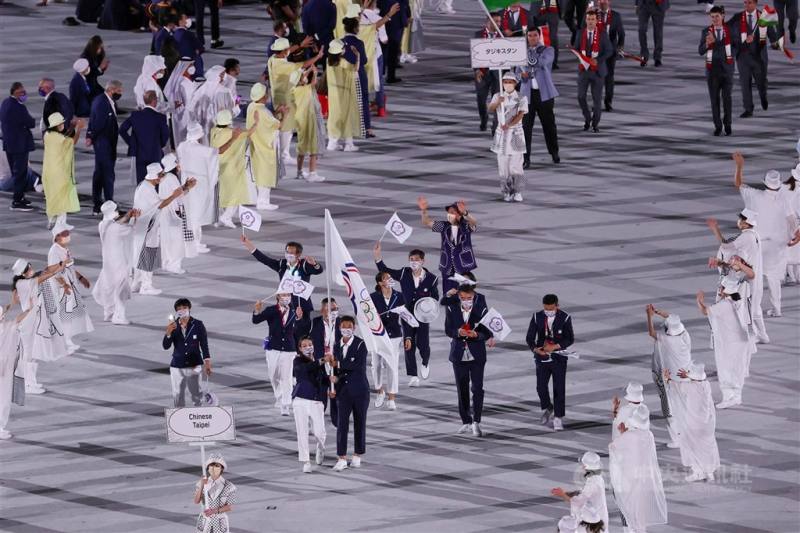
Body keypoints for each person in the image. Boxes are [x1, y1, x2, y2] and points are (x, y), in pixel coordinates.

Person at [734, 152, 794, 317]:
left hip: (759, 243)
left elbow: (738, 183)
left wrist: (739, 165)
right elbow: (792, 221)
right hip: (778, 245)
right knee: (774, 278)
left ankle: (753, 309)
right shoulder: (784, 200)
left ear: (765, 184)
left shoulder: (756, 196)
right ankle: (777, 309)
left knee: (756, 277)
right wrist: (795, 236)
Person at [374, 242, 439, 387]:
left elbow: (435, 297)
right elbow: (385, 271)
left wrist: (429, 304)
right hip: (406, 314)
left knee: (423, 344)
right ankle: (413, 375)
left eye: (416, 259)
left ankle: (425, 361)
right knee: (408, 344)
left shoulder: (432, 278)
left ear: (423, 261)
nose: (413, 262)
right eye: (411, 259)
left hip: (423, 316)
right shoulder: (404, 273)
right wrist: (378, 257)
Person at [132, 163, 196, 295]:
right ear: (155, 176)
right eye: (161, 175)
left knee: (140, 256)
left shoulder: (144, 186)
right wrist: (174, 195)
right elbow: (161, 204)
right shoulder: (146, 189)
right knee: (147, 256)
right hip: (146, 229)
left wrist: (184, 187)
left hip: (144, 228)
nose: (162, 178)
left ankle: (137, 284)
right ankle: (146, 286)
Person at [706, 207, 768, 342]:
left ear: (746, 223)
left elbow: (725, 247)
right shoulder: (754, 234)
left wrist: (715, 229)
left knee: (745, 308)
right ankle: (762, 335)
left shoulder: (746, 237)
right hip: (752, 275)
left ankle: (747, 336)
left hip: (746, 278)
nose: (738, 221)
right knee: (755, 307)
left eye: (741, 219)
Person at [696, 277, 756, 409]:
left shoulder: (724, 305)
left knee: (726, 369)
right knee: (735, 369)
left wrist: (699, 300)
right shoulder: (735, 301)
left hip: (729, 343)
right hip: (736, 342)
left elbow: (705, 311)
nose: (719, 289)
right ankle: (735, 396)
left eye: (722, 287)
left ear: (726, 290)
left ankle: (730, 397)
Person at [11, 259, 69, 392]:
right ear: (23, 273)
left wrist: (59, 265)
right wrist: (59, 268)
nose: (31, 269)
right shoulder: (24, 284)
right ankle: (28, 385)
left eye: (30, 266)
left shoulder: (26, 281)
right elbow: (44, 276)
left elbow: (45, 271)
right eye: (28, 268)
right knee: (29, 354)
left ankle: (32, 382)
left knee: (32, 354)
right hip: (28, 323)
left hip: (34, 321)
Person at [608, 404, 668, 532]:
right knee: (641, 507)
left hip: (630, 477)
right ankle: (640, 529)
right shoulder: (649, 435)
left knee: (629, 505)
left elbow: (614, 447)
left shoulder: (630, 436)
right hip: (645, 477)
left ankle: (633, 529)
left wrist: (622, 434)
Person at [444, 285, 491, 436]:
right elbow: (448, 329)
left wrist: (476, 335)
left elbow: (488, 332)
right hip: (459, 355)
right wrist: (457, 332)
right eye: (462, 298)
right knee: (462, 389)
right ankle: (466, 421)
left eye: (469, 298)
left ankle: (477, 421)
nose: (466, 301)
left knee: (477, 389)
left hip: (476, 355)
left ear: (474, 296)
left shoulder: (481, 309)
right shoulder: (452, 308)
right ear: (458, 297)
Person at [268, 38, 323, 163]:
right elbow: (303, 65)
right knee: (286, 127)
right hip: (285, 98)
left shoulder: (272, 59)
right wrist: (318, 57)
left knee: (284, 125)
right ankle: (284, 155)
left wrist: (299, 45)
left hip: (277, 95)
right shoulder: (284, 65)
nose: (289, 50)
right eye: (288, 49)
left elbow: (287, 52)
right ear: (283, 51)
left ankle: (281, 153)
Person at [664, 363, 721, 483]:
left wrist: (668, 379)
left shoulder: (689, 387)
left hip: (694, 423)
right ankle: (709, 471)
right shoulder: (706, 385)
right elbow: (692, 381)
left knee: (692, 446)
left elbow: (676, 389)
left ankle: (698, 472)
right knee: (706, 446)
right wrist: (689, 376)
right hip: (707, 423)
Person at [327, 315, 370, 471]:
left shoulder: (361, 345)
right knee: (341, 425)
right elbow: (336, 369)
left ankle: (357, 454)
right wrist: (333, 379)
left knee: (360, 423)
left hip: (360, 391)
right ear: (339, 328)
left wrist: (338, 363)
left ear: (354, 328)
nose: (346, 329)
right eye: (343, 326)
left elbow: (357, 365)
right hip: (343, 392)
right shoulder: (335, 346)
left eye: (349, 326)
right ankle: (342, 457)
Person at [526, 293, 574, 431]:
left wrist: (555, 346)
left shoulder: (565, 318)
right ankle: (548, 407)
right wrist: (535, 349)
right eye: (546, 309)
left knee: (559, 388)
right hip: (542, 357)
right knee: (540, 387)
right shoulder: (537, 317)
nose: (548, 312)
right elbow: (529, 337)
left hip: (558, 358)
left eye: (551, 309)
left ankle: (558, 417)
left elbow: (569, 339)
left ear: (557, 306)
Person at [514, 26, 560, 168]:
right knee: (525, 127)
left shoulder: (548, 50)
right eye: (529, 36)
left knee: (549, 125)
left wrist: (524, 58)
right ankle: (526, 158)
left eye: (535, 35)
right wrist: (521, 75)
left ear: (539, 37)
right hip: (527, 96)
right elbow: (516, 72)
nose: (532, 38)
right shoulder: (521, 53)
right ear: (527, 37)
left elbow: (540, 62)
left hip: (544, 94)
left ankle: (554, 152)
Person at [645, 304, 691, 446]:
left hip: (669, 380)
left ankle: (676, 438)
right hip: (685, 378)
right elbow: (672, 318)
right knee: (683, 407)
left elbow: (651, 333)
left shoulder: (667, 339)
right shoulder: (684, 334)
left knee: (669, 408)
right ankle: (686, 433)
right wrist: (658, 312)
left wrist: (649, 316)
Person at [253, 292, 304, 415]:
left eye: (288, 295)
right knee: (273, 375)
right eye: (283, 295)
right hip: (273, 348)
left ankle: (285, 404)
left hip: (289, 349)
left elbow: (300, 329)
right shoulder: (271, 310)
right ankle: (279, 396)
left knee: (286, 377)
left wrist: (299, 318)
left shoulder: (294, 311)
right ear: (277, 297)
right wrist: (257, 310)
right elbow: (256, 320)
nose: (286, 297)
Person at [48, 221, 94, 354]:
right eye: (64, 234)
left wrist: (80, 278)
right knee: (64, 315)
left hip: (70, 285)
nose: (67, 236)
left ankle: (67, 340)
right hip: (62, 288)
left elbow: (70, 266)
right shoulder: (54, 251)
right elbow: (53, 271)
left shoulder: (65, 249)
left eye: (68, 233)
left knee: (69, 315)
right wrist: (64, 285)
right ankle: (62, 343)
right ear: (56, 237)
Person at [417, 196, 479, 295]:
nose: (449, 214)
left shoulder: (466, 226)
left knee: (464, 294)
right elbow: (426, 222)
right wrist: (424, 210)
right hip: (447, 267)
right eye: (448, 212)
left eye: (453, 212)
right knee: (448, 295)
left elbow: (474, 223)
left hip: (463, 267)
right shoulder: (444, 226)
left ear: (459, 214)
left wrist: (466, 213)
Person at [92, 201, 140, 325]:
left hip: (108, 262)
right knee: (121, 289)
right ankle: (119, 316)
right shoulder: (116, 228)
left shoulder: (102, 224)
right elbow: (132, 230)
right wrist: (135, 218)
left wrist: (128, 215)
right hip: (118, 261)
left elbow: (117, 222)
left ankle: (109, 313)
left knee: (109, 287)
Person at [728, 0, 777, 118]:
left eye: (749, 2)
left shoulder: (764, 17)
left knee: (761, 82)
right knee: (745, 83)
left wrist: (775, 43)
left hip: (759, 58)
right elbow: (727, 31)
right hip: (743, 57)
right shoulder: (737, 18)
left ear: (755, 3)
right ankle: (748, 108)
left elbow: (772, 36)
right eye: (745, 2)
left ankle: (763, 96)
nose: (747, 5)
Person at [210, 109, 257, 228]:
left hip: (219, 168)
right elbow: (251, 132)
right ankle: (226, 217)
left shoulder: (213, 131)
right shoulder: (234, 133)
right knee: (237, 195)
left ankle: (219, 219)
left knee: (223, 194)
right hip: (234, 169)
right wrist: (256, 122)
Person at [176, 122, 219, 252]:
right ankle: (194, 244)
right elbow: (215, 154)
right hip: (199, 185)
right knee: (196, 214)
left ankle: (196, 242)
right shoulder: (202, 150)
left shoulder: (181, 146)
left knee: (191, 212)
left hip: (186, 183)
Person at [164, 298, 211, 407]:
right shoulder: (173, 326)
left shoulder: (198, 324)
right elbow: (166, 346)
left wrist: (207, 362)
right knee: (177, 394)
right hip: (177, 365)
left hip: (194, 364)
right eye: (179, 309)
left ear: (189, 308)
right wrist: (168, 333)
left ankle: (198, 417)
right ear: (177, 311)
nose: (182, 310)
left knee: (196, 393)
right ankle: (179, 418)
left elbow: (204, 345)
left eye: (184, 308)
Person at [488, 72, 528, 203]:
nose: (507, 84)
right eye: (505, 82)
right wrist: (498, 102)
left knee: (516, 166)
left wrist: (510, 124)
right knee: (503, 166)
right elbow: (490, 108)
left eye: (510, 82)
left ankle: (518, 191)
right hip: (501, 136)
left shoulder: (521, 97)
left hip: (515, 134)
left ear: (515, 83)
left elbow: (521, 114)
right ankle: (506, 191)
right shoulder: (498, 95)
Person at [572, 9, 613, 133]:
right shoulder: (580, 33)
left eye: (593, 19)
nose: (590, 22)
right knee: (580, 97)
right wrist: (580, 57)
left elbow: (609, 51)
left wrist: (598, 60)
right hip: (584, 70)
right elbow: (576, 48)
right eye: (588, 19)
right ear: (586, 20)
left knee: (597, 100)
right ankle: (587, 117)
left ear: (596, 21)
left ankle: (595, 124)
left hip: (598, 72)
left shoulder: (603, 34)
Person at [292, 336, 329, 473]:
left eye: (310, 344)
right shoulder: (298, 360)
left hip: (316, 401)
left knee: (319, 432)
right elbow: (303, 370)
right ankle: (306, 461)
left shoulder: (319, 361)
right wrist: (322, 360)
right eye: (305, 345)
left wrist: (331, 379)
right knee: (302, 432)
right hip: (301, 400)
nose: (308, 347)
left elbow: (323, 379)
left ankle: (320, 446)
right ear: (300, 349)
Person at [370, 271, 406, 410]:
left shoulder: (399, 296)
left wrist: (407, 336)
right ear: (380, 283)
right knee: (376, 365)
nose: (390, 279)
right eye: (386, 278)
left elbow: (405, 317)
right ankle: (380, 390)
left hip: (394, 335)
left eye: (390, 277)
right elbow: (367, 316)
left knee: (392, 366)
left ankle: (391, 397)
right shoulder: (372, 297)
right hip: (378, 335)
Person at [42, 113, 84, 229]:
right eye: (60, 123)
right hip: (59, 173)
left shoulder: (47, 135)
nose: (62, 125)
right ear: (55, 125)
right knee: (62, 197)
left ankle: (53, 221)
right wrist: (78, 129)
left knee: (52, 197)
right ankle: (60, 223)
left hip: (48, 172)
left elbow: (65, 136)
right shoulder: (58, 138)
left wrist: (71, 127)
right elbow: (72, 141)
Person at [700, 6, 736, 136]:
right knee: (714, 101)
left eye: (717, 16)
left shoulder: (730, 31)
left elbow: (737, 46)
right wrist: (707, 44)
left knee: (727, 99)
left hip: (727, 71)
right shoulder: (706, 32)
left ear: (723, 16)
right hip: (712, 72)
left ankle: (728, 124)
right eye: (712, 17)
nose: (714, 19)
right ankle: (717, 126)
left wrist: (732, 58)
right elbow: (700, 51)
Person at [87, 80, 122, 216]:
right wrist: (91, 135)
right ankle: (109, 204)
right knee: (107, 175)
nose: (120, 93)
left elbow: (92, 120)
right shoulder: (102, 103)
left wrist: (90, 134)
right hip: (104, 144)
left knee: (100, 174)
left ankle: (97, 204)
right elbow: (98, 123)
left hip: (104, 143)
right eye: (119, 91)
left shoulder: (101, 100)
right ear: (111, 89)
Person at [119, 90, 170, 183]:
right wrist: (159, 145)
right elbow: (166, 135)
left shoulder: (135, 115)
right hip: (155, 154)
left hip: (140, 154)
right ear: (154, 101)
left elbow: (122, 130)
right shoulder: (160, 117)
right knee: (155, 182)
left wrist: (132, 143)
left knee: (142, 182)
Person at [551, 451, 610, 531]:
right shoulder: (597, 478)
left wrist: (562, 494)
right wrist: (566, 494)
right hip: (595, 517)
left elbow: (579, 501)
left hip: (593, 522)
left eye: (583, 464)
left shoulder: (593, 482)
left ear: (586, 466)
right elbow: (586, 494)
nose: (582, 467)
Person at [247, 83, 284, 210]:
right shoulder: (263, 111)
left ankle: (261, 199)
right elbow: (278, 125)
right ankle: (263, 202)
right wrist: (285, 114)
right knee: (266, 174)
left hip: (255, 144)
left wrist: (276, 111)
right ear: (263, 96)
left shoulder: (251, 106)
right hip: (265, 146)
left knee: (258, 173)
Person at [0, 82, 36, 211]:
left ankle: (20, 197)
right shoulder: (18, 107)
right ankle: (16, 201)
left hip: (9, 145)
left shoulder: (5, 103)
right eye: (21, 92)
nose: (24, 94)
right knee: (20, 173)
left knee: (17, 173)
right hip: (19, 146)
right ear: (14, 92)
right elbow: (30, 122)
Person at [326, 39, 364, 151]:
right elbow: (355, 68)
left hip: (333, 94)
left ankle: (332, 143)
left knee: (334, 117)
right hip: (345, 93)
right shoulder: (343, 62)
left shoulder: (328, 61)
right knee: (348, 115)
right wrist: (357, 55)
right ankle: (349, 144)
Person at [341, 8, 373, 138]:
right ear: (355, 28)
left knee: (347, 101)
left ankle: (348, 128)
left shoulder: (341, 42)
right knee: (363, 100)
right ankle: (366, 128)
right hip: (359, 75)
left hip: (345, 75)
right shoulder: (359, 43)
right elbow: (364, 60)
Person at [293, 68, 328, 183]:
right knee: (314, 145)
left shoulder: (293, 89)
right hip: (310, 119)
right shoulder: (305, 89)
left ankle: (299, 172)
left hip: (300, 120)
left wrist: (308, 71)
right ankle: (312, 173)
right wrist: (314, 72)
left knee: (302, 146)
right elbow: (313, 83)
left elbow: (301, 78)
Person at [158, 153, 191, 273]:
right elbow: (179, 195)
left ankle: (166, 263)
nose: (178, 164)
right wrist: (188, 188)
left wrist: (185, 186)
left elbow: (175, 192)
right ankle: (174, 265)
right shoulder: (172, 178)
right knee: (176, 241)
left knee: (167, 239)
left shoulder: (164, 177)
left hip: (165, 212)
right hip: (173, 213)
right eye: (176, 162)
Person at [192, 454, 236, 533]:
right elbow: (196, 501)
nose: (213, 468)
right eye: (211, 465)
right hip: (205, 520)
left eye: (216, 466)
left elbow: (230, 507)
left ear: (221, 468)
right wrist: (202, 485)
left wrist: (214, 511)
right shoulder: (200, 483)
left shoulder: (229, 486)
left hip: (219, 521)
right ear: (208, 468)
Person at [474, 13, 502, 132]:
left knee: (497, 101)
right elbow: (473, 54)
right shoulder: (478, 35)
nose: (498, 24)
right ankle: (484, 118)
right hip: (482, 73)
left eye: (499, 21)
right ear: (487, 22)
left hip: (498, 75)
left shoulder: (502, 35)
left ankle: (495, 127)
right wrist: (476, 70)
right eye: (495, 21)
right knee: (481, 100)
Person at [594, 0, 624, 112]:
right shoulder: (592, 15)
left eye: (605, 0)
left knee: (609, 77)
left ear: (609, 2)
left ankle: (608, 102)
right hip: (596, 51)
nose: (603, 2)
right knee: (596, 78)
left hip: (611, 51)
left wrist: (620, 47)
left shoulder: (616, 16)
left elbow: (621, 33)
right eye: (601, 0)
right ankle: (596, 103)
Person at [165, 58, 198, 147]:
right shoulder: (184, 83)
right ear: (185, 67)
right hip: (186, 116)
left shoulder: (181, 81)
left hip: (179, 115)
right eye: (190, 65)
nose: (193, 68)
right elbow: (189, 103)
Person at [378, 0, 408, 84]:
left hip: (384, 17)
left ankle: (381, 74)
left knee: (384, 48)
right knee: (392, 49)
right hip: (396, 20)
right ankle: (390, 76)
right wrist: (406, 18)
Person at [636, 0, 669, 67]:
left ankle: (657, 58)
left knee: (658, 32)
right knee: (641, 30)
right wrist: (636, 4)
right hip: (644, 4)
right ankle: (644, 55)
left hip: (658, 5)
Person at [174, 13, 205, 78]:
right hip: (192, 65)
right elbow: (201, 48)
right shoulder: (189, 34)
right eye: (186, 18)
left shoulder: (174, 34)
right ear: (180, 22)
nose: (188, 20)